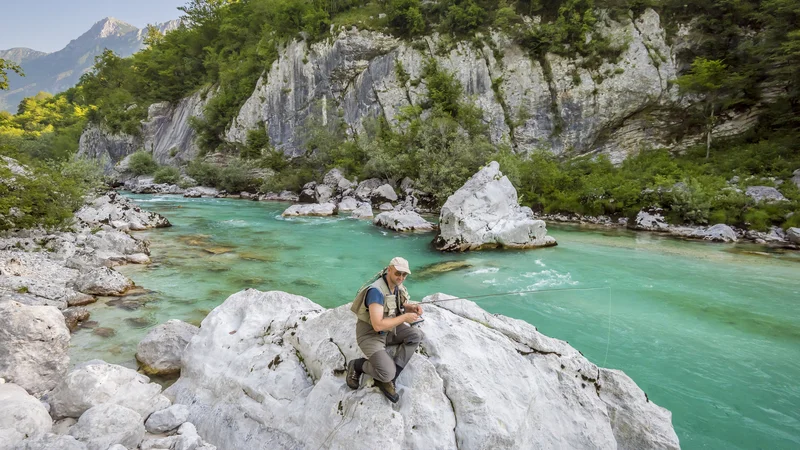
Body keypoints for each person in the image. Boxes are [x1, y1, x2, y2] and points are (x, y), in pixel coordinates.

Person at [346, 256, 424, 403]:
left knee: (415, 335)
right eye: (397, 273)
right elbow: (378, 325)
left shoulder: (395, 286)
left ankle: (390, 377)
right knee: (386, 373)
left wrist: (411, 307)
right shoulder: (376, 291)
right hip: (371, 335)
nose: (401, 277)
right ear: (389, 270)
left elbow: (396, 305)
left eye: (404, 275)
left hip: (389, 330)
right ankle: (358, 365)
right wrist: (404, 318)